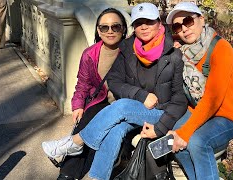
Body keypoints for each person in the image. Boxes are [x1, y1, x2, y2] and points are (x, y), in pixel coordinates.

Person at [42, 3, 187, 180]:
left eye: (148, 22)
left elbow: (179, 98)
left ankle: (75, 142)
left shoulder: (173, 52)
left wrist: (160, 127)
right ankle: (95, 176)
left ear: (159, 22)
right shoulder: (127, 49)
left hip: (159, 111)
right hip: (128, 107)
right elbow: (106, 81)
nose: (143, 27)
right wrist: (78, 104)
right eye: (139, 22)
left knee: (121, 106)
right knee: (112, 128)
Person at [165, 2, 233, 180]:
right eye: (178, 26)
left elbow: (213, 99)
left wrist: (184, 133)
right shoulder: (182, 52)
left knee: (197, 142)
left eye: (188, 21)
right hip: (198, 111)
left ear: (201, 19)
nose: (184, 29)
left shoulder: (221, 48)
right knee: (172, 138)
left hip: (227, 116)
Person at [55, 8, 128, 180]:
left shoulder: (131, 50)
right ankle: (68, 173)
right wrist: (78, 105)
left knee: (112, 130)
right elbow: (83, 83)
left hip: (125, 103)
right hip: (102, 100)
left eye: (115, 27)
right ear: (98, 30)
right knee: (85, 123)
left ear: (123, 29)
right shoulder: (90, 54)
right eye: (104, 27)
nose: (110, 31)